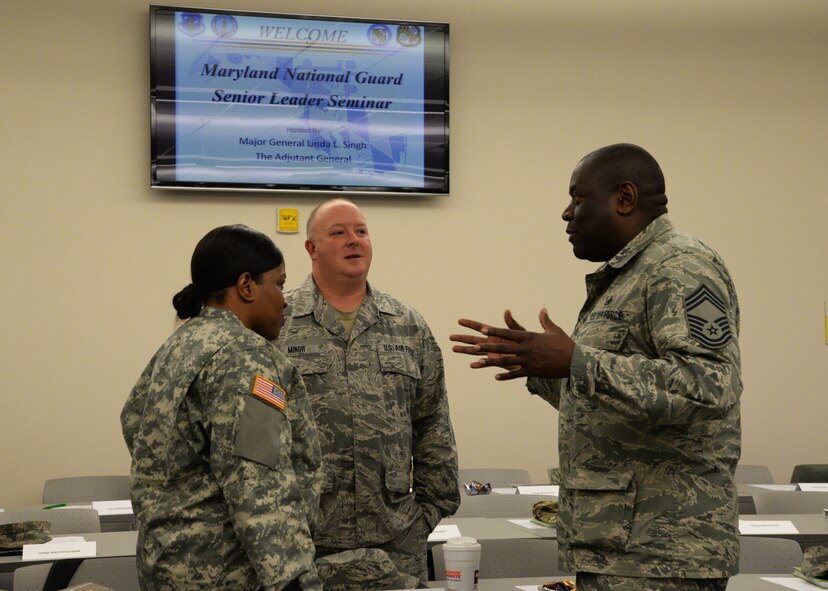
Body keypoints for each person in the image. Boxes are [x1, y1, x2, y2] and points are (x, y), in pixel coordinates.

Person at [451, 144, 742, 591]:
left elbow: (709, 387)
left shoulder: (679, 267)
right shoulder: (629, 275)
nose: (567, 214)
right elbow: (613, 401)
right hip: (620, 550)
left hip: (664, 557)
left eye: (578, 198)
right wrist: (543, 367)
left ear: (624, 198)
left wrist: (576, 359)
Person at [121, 224, 323, 591]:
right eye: (278, 284)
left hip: (165, 566)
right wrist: (295, 580)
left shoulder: (181, 343)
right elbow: (258, 483)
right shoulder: (243, 356)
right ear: (246, 286)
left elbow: (132, 421)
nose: (285, 299)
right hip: (228, 574)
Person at [278, 198, 460, 588]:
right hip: (305, 539)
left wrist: (427, 513)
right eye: (338, 232)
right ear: (311, 248)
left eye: (361, 231)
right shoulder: (279, 322)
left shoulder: (407, 324)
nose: (353, 240)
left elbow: (433, 424)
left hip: (394, 539)